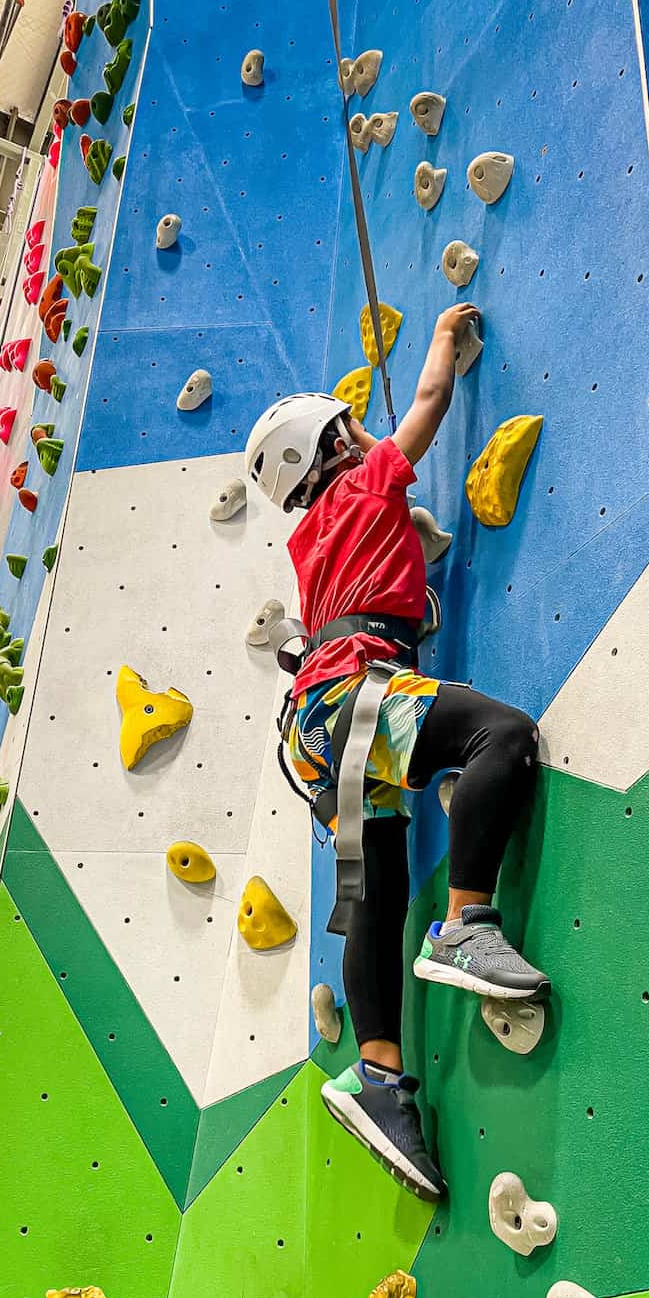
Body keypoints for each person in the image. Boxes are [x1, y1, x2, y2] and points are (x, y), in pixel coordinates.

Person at [245, 303, 550, 1203]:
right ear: (330, 451)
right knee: (502, 736)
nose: (364, 434)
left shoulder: (309, 541)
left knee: (371, 897)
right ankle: (465, 924)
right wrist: (446, 339)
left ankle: (379, 1082)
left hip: (313, 740)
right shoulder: (368, 481)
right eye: (348, 430)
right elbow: (429, 398)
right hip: (357, 700)